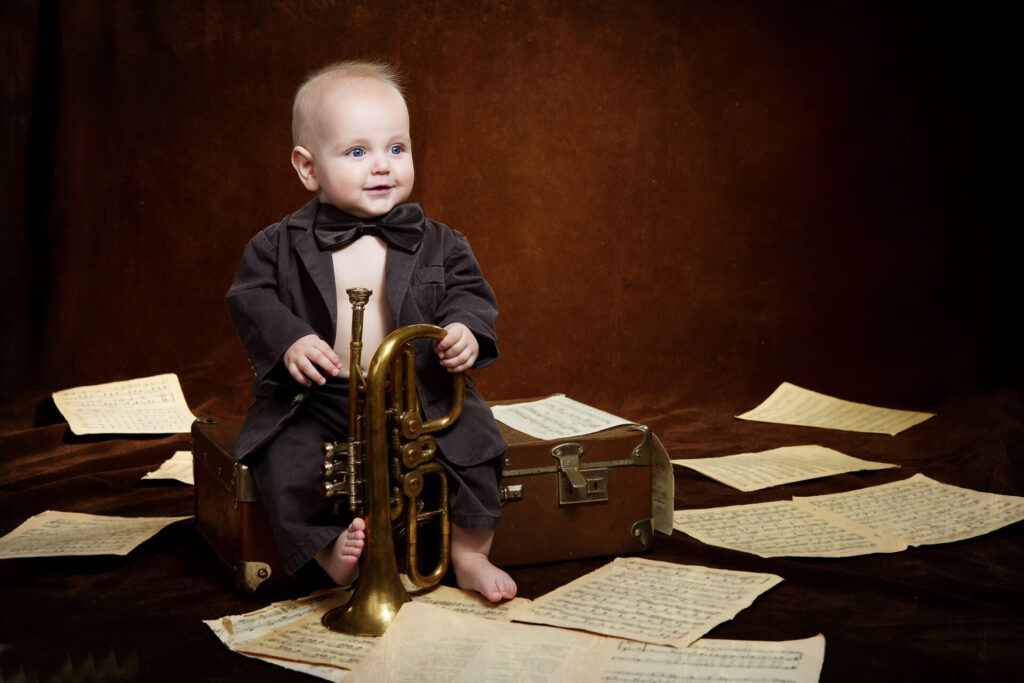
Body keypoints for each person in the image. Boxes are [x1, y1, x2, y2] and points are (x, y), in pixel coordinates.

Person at [226, 61, 516, 602]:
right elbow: (251, 298)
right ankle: (327, 548)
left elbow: (471, 296)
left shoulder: (443, 242)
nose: (382, 166)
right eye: (357, 152)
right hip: (318, 396)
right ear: (308, 168)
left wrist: (465, 330)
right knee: (286, 458)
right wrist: (289, 339)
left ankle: (470, 553)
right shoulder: (275, 245)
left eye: (396, 148)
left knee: (477, 444)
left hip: (418, 390)